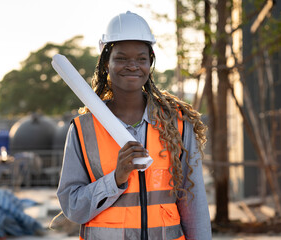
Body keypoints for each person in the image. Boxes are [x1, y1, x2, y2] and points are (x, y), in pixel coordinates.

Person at [56, 11, 212, 240]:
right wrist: (116, 178)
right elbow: (72, 208)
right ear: (106, 64)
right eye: (121, 58)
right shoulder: (83, 130)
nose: (132, 66)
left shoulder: (177, 124)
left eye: (141, 58)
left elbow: (194, 202)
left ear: (150, 63)